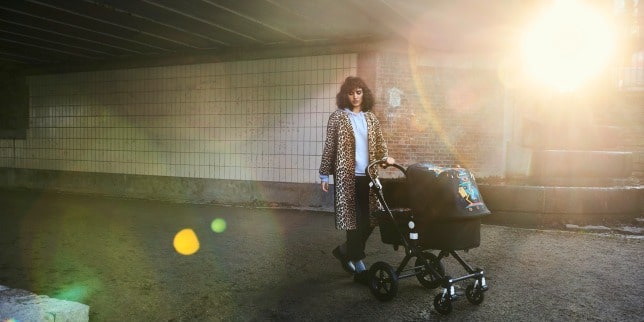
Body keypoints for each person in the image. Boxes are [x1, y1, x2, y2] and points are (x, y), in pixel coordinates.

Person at [319, 76, 395, 284]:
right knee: (353, 221)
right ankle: (359, 266)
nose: (355, 96)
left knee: (371, 219)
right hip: (347, 177)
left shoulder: (370, 118)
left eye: (359, 92)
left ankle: (345, 251)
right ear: (345, 95)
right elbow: (330, 147)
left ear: (364, 94)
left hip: (369, 176)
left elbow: (380, 145)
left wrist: (386, 159)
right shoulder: (337, 118)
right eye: (351, 92)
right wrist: (324, 173)